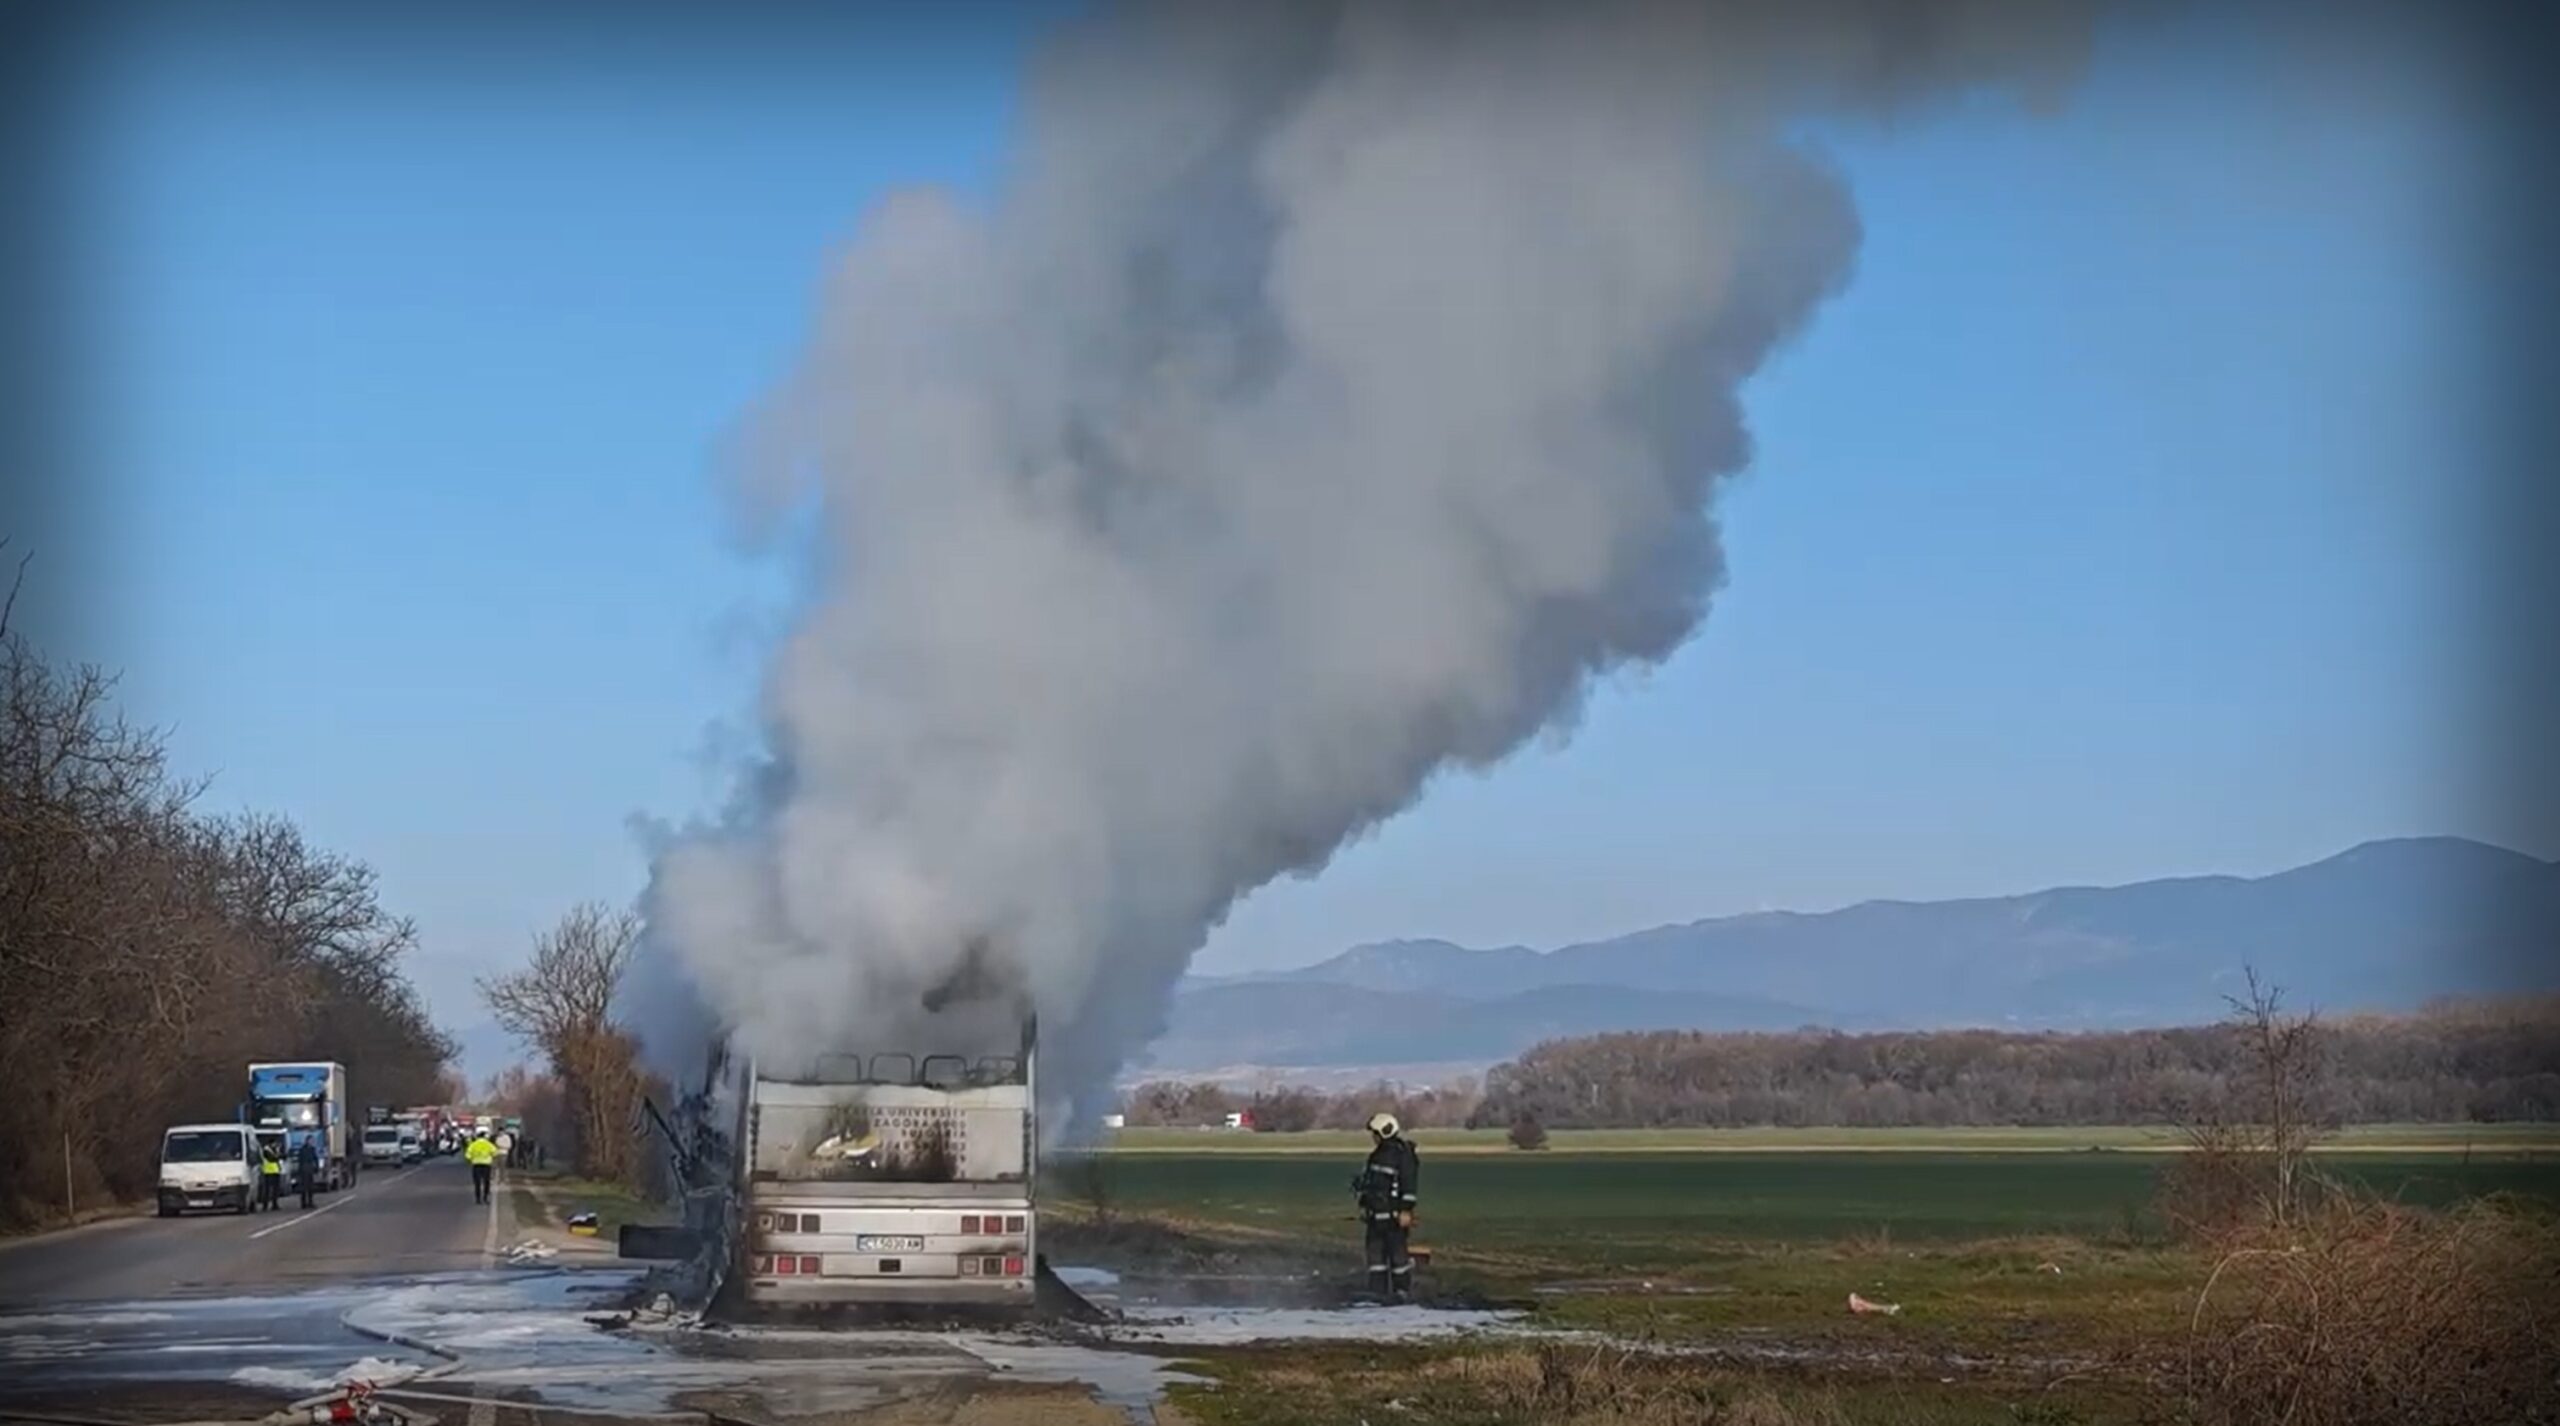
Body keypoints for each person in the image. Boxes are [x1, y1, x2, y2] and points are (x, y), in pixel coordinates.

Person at [1351, 1111, 1421, 1302]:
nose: (1373, 1137)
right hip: (1376, 1217)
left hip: (1394, 1218)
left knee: (1398, 1259)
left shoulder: (1403, 1154)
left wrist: (1406, 1209)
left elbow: (1408, 1184)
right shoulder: (1377, 1155)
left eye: (1375, 1133)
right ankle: (1377, 1294)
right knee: (1376, 1261)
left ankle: (1402, 1294)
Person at [465, 1129, 498, 1205]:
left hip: (476, 1165)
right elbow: (495, 1153)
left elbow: (468, 1155)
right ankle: (486, 1197)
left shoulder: (473, 1144)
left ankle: (478, 1199)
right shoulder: (488, 1144)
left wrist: (473, 1159)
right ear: (485, 1137)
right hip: (486, 1165)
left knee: (477, 1183)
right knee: (486, 1182)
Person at [257, 1137, 284, 1212]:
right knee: (267, 1191)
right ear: (271, 1143)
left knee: (275, 1190)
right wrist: (278, 1155)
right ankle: (265, 1206)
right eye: (274, 1143)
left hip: (275, 1171)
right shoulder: (266, 1150)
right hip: (268, 1172)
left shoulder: (274, 1150)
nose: (275, 1145)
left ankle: (275, 1204)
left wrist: (279, 1154)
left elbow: (280, 1156)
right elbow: (272, 1159)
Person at [292, 1137, 320, 1210]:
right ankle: (303, 1203)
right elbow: (300, 1160)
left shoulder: (312, 1149)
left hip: (310, 1169)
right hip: (304, 1169)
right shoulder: (302, 1149)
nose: (311, 1142)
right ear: (307, 1141)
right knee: (304, 1187)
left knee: (311, 1187)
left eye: (312, 1141)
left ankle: (310, 1202)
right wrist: (299, 1170)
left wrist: (316, 1167)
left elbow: (315, 1158)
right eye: (310, 1141)